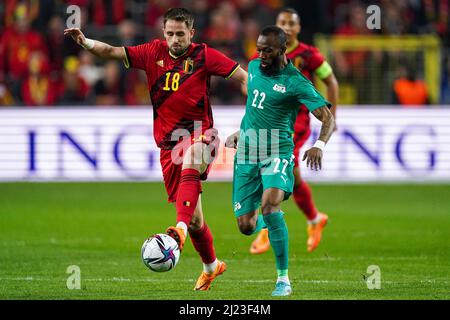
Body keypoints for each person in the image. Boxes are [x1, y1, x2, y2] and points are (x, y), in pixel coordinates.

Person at [64, 7, 248, 291]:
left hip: (202, 135)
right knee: (197, 218)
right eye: (170, 33)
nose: (175, 39)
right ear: (164, 32)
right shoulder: (152, 53)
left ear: (192, 33)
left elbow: (245, 80)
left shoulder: (204, 55)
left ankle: (178, 232)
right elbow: (111, 51)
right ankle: (211, 266)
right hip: (167, 145)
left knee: (192, 157)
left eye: (181, 34)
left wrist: (251, 120)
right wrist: (85, 42)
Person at [225, 26, 335, 296]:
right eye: (259, 49)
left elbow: (327, 118)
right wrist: (243, 132)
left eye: (267, 50)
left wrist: (319, 145)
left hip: (278, 151)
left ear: (283, 50)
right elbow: (256, 107)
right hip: (248, 153)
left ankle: (283, 279)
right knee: (246, 226)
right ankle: (265, 224)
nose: (261, 54)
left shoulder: (295, 81)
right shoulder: (251, 67)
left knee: (271, 205)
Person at [249, 8, 339, 254]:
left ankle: (267, 229)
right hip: (270, 120)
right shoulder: (265, 53)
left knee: (272, 170)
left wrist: (333, 118)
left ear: (298, 29)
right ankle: (314, 218)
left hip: (294, 125)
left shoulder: (309, 55)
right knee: (292, 176)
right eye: (282, 22)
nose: (287, 26)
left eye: (291, 23)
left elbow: (331, 80)